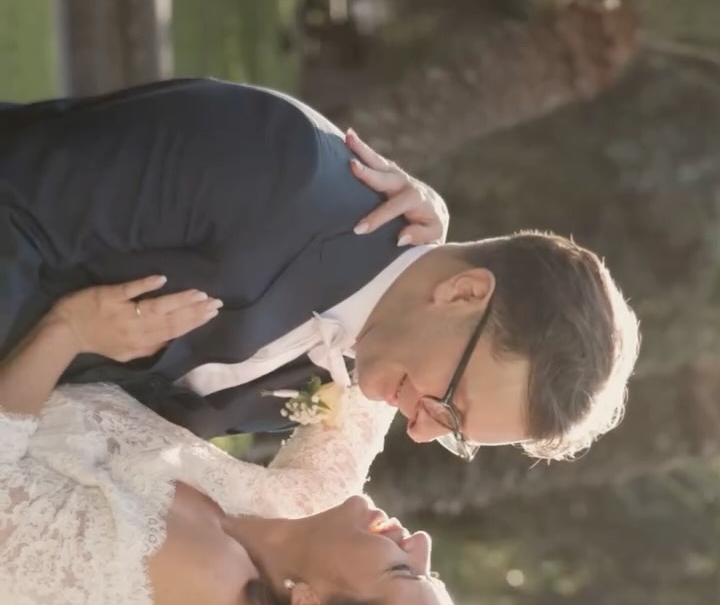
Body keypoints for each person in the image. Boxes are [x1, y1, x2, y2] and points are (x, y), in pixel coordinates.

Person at [0, 78, 639, 459]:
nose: (418, 431)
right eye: (449, 406)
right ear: (464, 292)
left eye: (453, 435)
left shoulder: (331, 377)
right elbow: (19, 195)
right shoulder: (278, 162)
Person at [0, 279, 466, 605]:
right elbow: (389, 366)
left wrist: (68, 331)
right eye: (432, 571)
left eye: (403, 571)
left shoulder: (200, 583)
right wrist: (430, 225)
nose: (422, 542)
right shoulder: (297, 521)